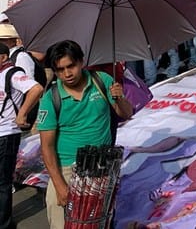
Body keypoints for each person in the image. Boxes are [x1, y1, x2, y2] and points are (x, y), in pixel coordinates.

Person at [37, 40, 134, 229]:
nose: (67, 74)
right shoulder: (51, 98)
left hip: (101, 167)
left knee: (99, 222)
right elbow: (46, 147)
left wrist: (119, 97)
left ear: (81, 61)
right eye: (60, 69)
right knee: (61, 224)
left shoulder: (102, 81)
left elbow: (126, 113)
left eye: (71, 66)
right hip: (66, 170)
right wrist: (59, 185)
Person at [0, 42, 43, 229]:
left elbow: (36, 89)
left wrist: (22, 113)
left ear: (2, 57)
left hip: (7, 133)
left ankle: (4, 224)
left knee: (2, 182)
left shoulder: (14, 73)